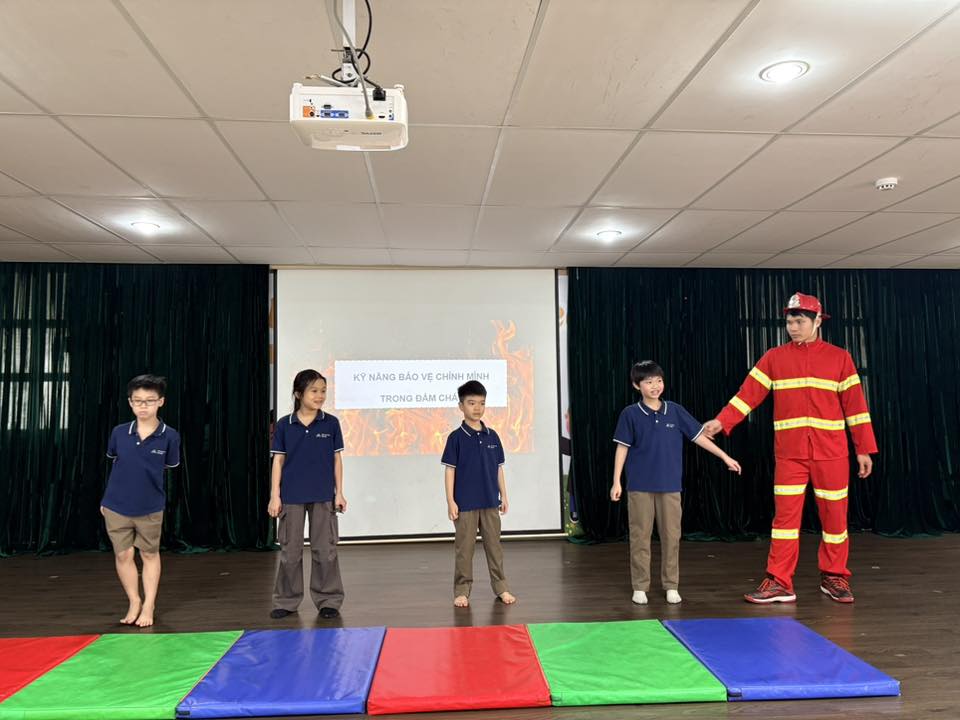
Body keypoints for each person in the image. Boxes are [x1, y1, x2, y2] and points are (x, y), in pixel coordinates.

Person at [702, 293, 877, 604]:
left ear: (817, 321)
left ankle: (834, 576)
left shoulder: (840, 358)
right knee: (784, 521)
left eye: (799, 321)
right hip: (790, 455)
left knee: (835, 519)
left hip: (832, 454)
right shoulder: (774, 357)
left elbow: (856, 407)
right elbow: (748, 394)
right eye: (789, 322)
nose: (792, 327)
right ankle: (779, 581)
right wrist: (722, 421)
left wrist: (863, 449)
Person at [610, 361, 741, 605]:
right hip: (639, 487)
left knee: (672, 538)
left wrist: (725, 457)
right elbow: (622, 448)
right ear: (637, 385)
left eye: (658, 380)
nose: (655, 386)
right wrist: (616, 481)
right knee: (640, 538)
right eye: (648, 382)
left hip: (670, 486)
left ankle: (671, 585)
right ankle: (640, 586)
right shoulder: (630, 414)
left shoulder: (675, 411)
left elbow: (699, 437)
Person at [101, 374, 180, 628]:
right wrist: (106, 501)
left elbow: (169, 465)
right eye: (138, 401)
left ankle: (149, 604)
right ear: (130, 402)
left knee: (149, 553)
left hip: (150, 507)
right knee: (123, 554)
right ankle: (134, 601)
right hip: (116, 505)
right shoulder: (119, 432)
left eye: (149, 400)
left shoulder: (170, 436)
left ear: (161, 402)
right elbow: (115, 462)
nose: (143, 406)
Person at [268, 369, 346, 619]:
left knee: (325, 550)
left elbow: (336, 460)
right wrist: (275, 495)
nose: (320, 395)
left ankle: (328, 600)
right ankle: (286, 601)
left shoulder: (331, 423)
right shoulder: (284, 424)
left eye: (323, 391)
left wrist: (340, 493)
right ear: (299, 393)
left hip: (323, 495)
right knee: (290, 551)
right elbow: (278, 461)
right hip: (291, 496)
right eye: (314, 391)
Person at [441, 380, 516, 608]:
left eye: (481, 403)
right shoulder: (455, 438)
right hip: (465, 504)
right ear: (461, 406)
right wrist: (451, 501)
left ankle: (501, 587)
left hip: (490, 501)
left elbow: (498, 469)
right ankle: (462, 590)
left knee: (495, 547)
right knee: (465, 550)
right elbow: (450, 471)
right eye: (471, 403)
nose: (477, 408)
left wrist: (504, 495)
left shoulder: (493, 436)